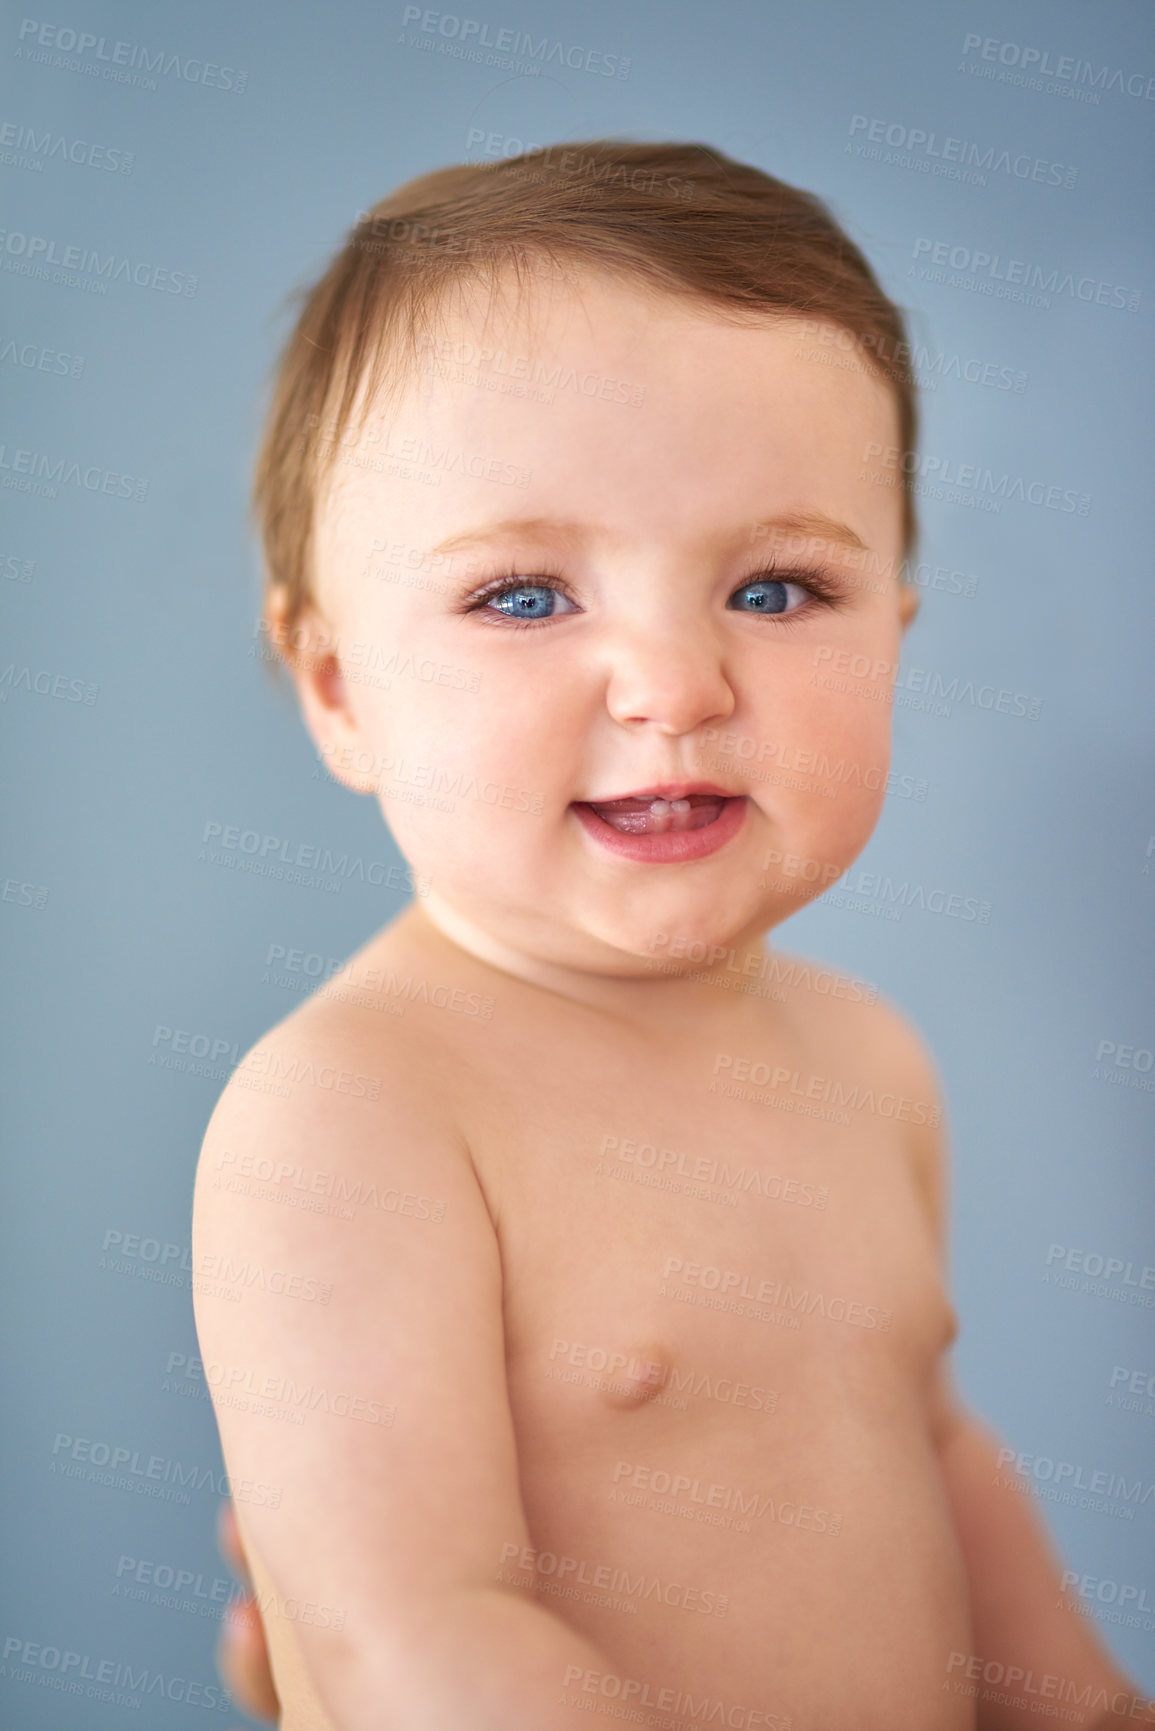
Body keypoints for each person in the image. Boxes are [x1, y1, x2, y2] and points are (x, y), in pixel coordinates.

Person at [192, 141, 1148, 1730]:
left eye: (778, 591)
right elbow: (411, 1643)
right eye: (524, 597)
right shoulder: (357, 1119)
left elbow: (925, 1453)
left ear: (897, 633)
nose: (675, 686)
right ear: (340, 686)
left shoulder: (870, 1062)